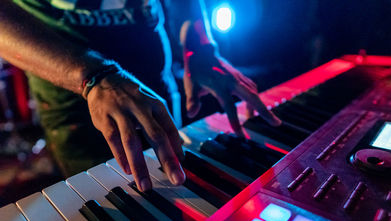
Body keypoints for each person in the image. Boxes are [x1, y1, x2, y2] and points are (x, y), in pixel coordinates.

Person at [0, 0, 280, 192]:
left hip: (151, 65)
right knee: (114, 205)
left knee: (177, 187)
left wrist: (200, 46)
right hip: (71, 75)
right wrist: (92, 76)